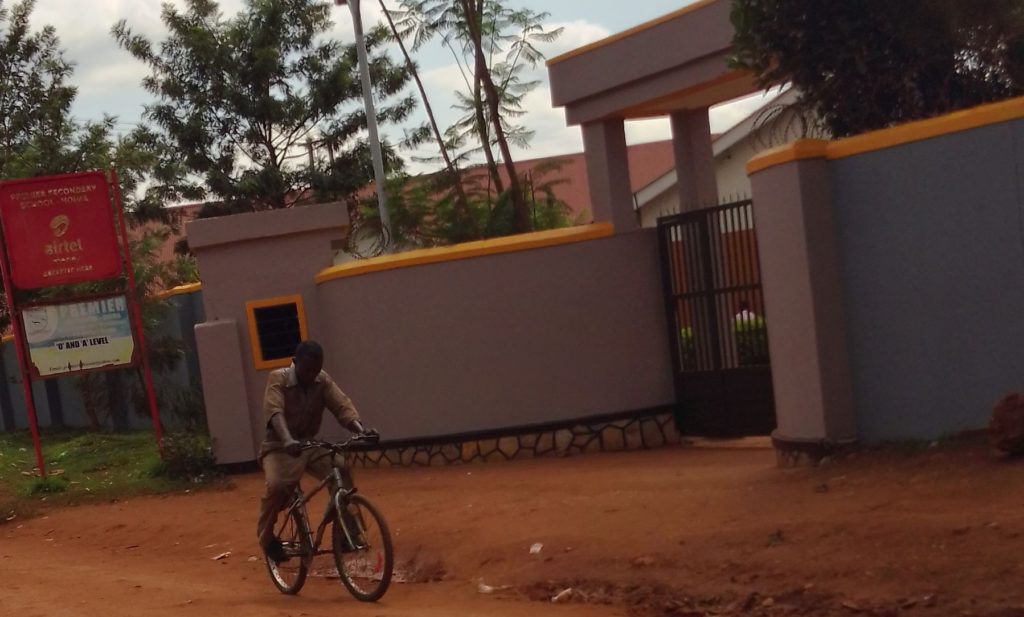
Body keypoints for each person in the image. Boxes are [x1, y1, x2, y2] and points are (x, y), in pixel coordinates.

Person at [257, 340, 377, 563]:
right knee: (277, 487)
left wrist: (361, 430)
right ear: (295, 362)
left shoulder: (322, 380)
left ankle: (345, 532)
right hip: (279, 447)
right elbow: (274, 412)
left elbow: (341, 406)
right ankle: (266, 538)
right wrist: (287, 440)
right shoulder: (278, 378)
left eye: (316, 369)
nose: (311, 375)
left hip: (309, 444)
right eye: (307, 370)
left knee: (341, 468)